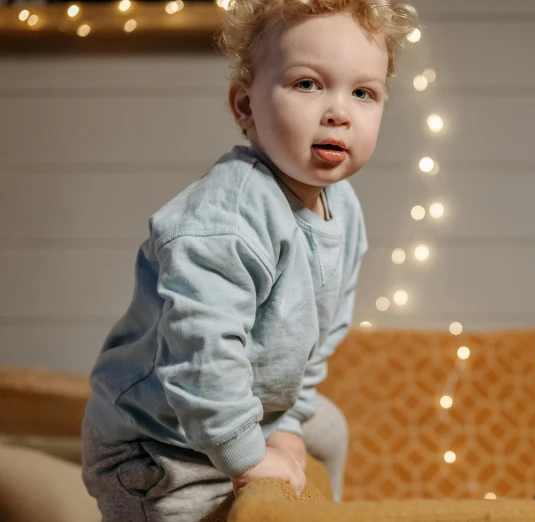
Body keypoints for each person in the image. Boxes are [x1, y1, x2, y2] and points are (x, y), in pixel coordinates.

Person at [80, 1, 418, 520]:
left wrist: (287, 425)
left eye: (363, 93)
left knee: (328, 431)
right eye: (307, 84)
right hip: (160, 438)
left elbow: (321, 337)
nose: (338, 111)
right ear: (245, 106)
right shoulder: (227, 218)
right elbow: (201, 358)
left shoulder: (345, 210)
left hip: (251, 409)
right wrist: (248, 457)